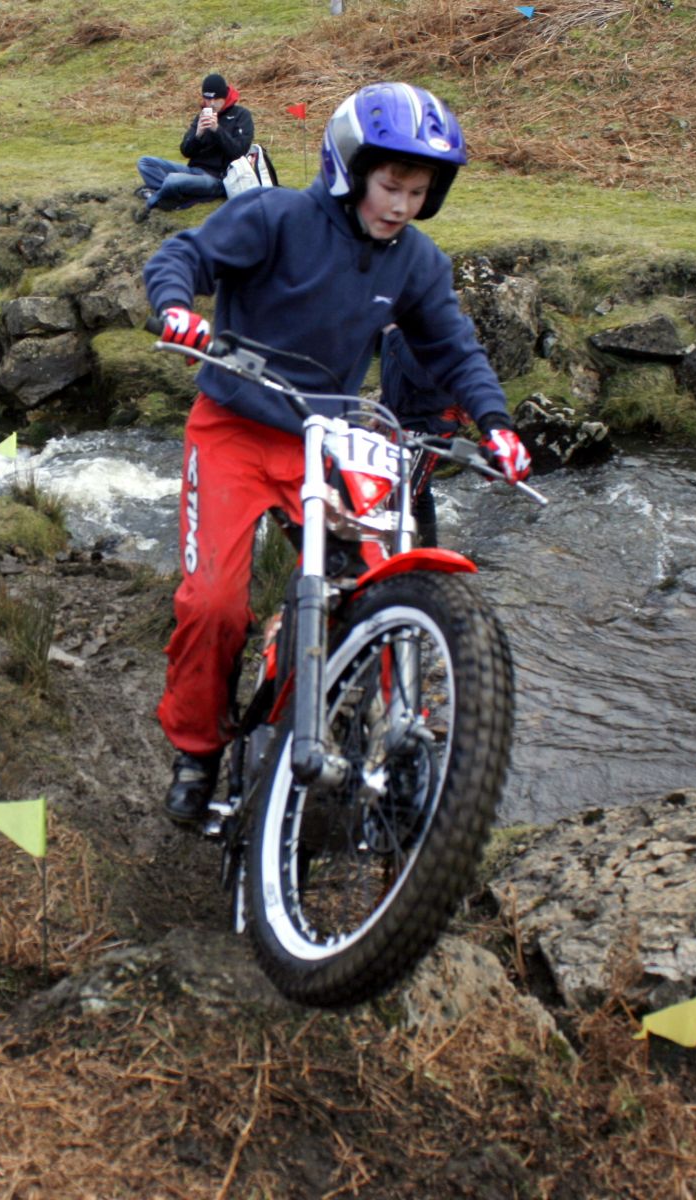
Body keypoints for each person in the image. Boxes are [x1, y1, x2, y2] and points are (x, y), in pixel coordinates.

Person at [143, 82, 532, 825]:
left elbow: (453, 348)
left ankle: (377, 733)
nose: (402, 206)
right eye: (391, 185)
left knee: (379, 586)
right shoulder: (274, 216)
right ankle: (197, 752)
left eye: (418, 192)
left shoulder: (417, 263)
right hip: (231, 425)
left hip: (325, 439)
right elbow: (184, 254)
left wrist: (496, 423)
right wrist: (176, 309)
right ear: (350, 169)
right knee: (213, 602)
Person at [380, 322, 504, 548]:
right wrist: (383, 408)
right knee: (418, 490)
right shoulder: (396, 318)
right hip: (405, 414)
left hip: (429, 420)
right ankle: (429, 550)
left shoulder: (427, 323)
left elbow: (423, 377)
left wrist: (394, 333)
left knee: (398, 495)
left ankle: (400, 556)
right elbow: (393, 370)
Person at [133, 73, 254, 221]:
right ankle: (172, 192)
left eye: (216, 99)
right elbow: (185, 151)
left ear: (225, 97)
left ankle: (154, 198)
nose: (211, 103)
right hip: (193, 171)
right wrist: (198, 134)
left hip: (218, 179)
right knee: (144, 163)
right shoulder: (201, 116)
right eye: (207, 99)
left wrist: (217, 130)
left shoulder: (241, 116)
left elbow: (238, 152)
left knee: (173, 180)